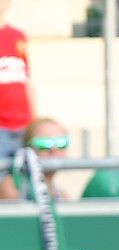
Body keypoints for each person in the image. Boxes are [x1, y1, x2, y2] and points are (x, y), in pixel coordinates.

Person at [0, 0, 34, 199]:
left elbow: (27, 81)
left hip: (23, 125)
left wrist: (33, 121)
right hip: (1, 128)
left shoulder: (17, 36)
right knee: (6, 188)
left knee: (29, 182)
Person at [0, 116, 70, 200]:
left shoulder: (62, 195)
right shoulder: (12, 188)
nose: (54, 149)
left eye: (61, 142)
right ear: (28, 148)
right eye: (44, 143)